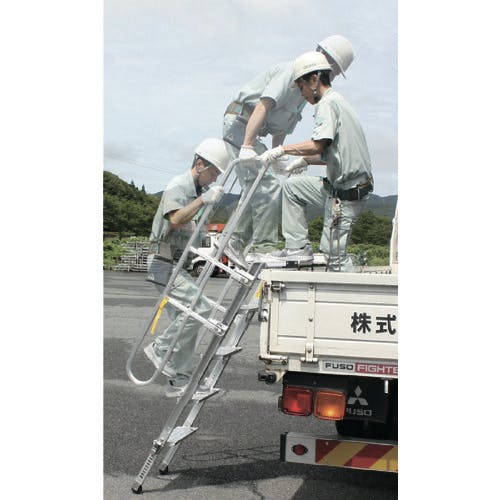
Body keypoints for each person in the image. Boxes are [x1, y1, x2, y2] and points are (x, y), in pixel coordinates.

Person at [221, 35, 355, 269]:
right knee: (267, 186)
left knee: (261, 184)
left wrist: (277, 156)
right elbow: (264, 105)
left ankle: (233, 240)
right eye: (334, 71)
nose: (332, 77)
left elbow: (282, 127)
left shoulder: (307, 92)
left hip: (252, 131)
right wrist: (247, 145)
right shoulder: (291, 72)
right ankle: (262, 247)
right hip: (240, 124)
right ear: (327, 61)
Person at [258, 51, 373, 272]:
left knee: (333, 255)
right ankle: (297, 247)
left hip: (347, 194)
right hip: (338, 187)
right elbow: (333, 151)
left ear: (314, 79)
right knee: (292, 188)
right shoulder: (338, 102)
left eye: (301, 87)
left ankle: (349, 293)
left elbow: (318, 145)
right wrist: (304, 161)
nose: (301, 94)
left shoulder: (328, 104)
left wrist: (281, 150)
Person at [145, 138, 231, 397]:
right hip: (163, 262)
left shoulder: (194, 192)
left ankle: (179, 380)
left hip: (176, 263)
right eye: (214, 172)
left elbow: (191, 229)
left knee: (186, 322)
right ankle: (160, 349)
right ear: (200, 164)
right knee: (198, 310)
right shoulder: (179, 185)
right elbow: (175, 219)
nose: (215, 178)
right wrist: (203, 201)